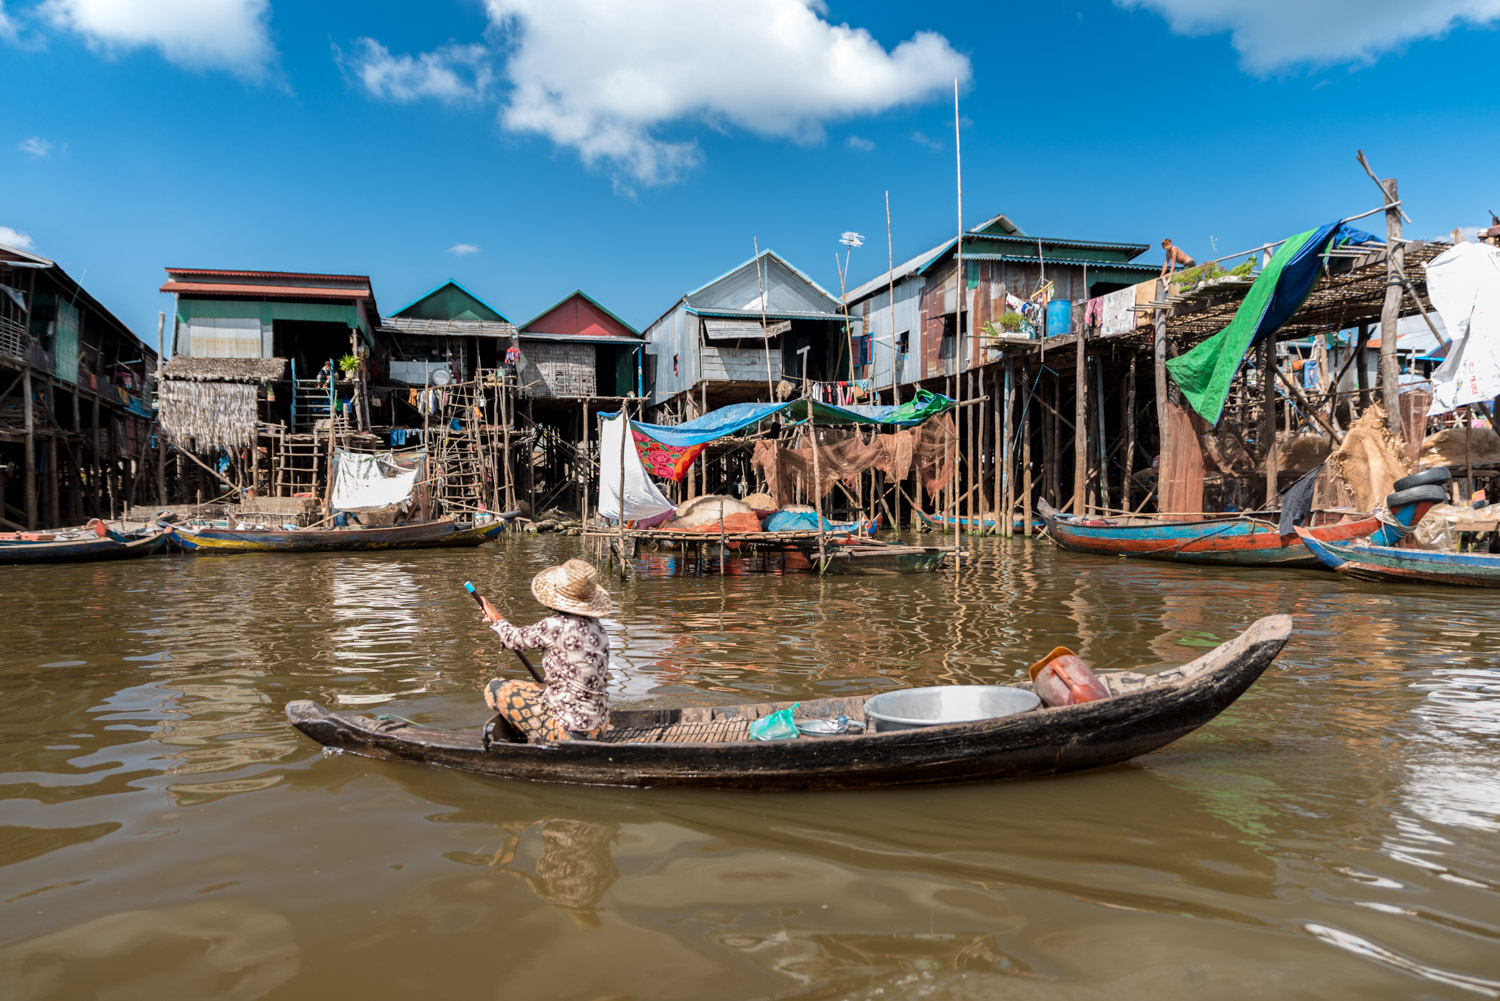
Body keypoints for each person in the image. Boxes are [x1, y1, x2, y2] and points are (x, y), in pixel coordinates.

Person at [476, 559, 612, 742]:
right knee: (538, 689)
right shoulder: (599, 627)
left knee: (494, 688)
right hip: (600, 723)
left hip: (571, 730)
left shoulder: (554, 626)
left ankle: (540, 736)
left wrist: (494, 616)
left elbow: (513, 639)